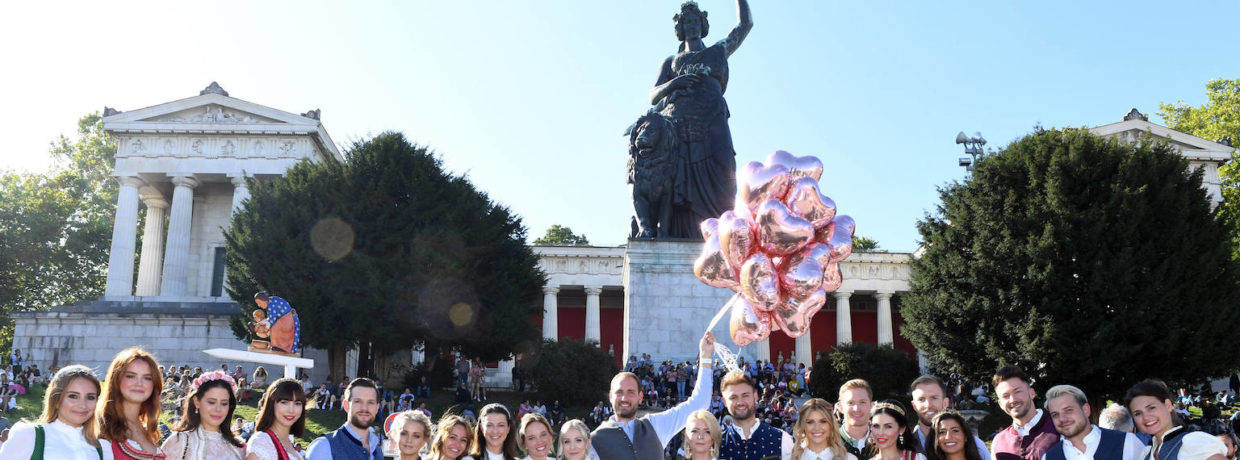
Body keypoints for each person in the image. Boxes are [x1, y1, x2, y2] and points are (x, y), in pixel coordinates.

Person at [643, 0, 752, 237]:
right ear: (680, 27)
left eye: (695, 21)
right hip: (679, 124)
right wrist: (675, 82)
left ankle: (723, 231)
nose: (691, 25)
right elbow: (653, 95)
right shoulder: (671, 61)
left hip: (713, 118)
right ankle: (680, 233)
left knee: (725, 166)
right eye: (686, 22)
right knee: (678, 180)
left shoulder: (719, 49)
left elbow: (745, 24)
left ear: (702, 24)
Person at [592, 331, 715, 460]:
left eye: (631, 392)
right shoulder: (595, 441)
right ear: (611, 396)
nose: (624, 398)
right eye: (619, 392)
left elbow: (700, 402)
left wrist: (705, 355)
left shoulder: (656, 426)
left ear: (640, 397)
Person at [0, 365, 104, 459]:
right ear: (56, 400)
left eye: (90, 397)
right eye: (73, 396)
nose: (82, 405)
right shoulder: (30, 436)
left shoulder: (102, 448)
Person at [1124, 379, 1227, 460]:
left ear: (1168, 405)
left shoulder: (1191, 443)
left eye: (1151, 408)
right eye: (1138, 413)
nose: (1145, 417)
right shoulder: (1145, 454)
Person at [97, 347, 166, 460]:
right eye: (130, 376)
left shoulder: (147, 430)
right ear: (116, 380)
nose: (139, 383)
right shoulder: (101, 427)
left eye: (147, 378)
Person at [1041, 384, 1144, 460]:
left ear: (1086, 410)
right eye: (1055, 414)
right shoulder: (1049, 457)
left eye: (1068, 410)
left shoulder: (1127, 442)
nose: (1062, 418)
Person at [162, 370, 246, 460]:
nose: (218, 409)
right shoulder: (179, 441)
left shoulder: (239, 446)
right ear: (196, 402)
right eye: (211, 402)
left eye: (224, 403)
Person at [909, 376, 990, 460]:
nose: (928, 405)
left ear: (945, 403)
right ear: (914, 406)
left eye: (934, 398)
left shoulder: (976, 445)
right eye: (921, 399)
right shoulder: (903, 446)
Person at [718, 370, 793, 459]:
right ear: (725, 401)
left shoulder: (782, 439)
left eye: (745, 395)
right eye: (733, 397)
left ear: (755, 396)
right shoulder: (716, 445)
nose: (740, 402)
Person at [306, 377, 383, 460]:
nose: (364, 408)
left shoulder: (377, 452)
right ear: (346, 406)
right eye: (358, 401)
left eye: (370, 402)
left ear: (377, 408)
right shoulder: (324, 447)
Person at [991, 366, 1059, 460]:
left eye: (1017, 392)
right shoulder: (998, 442)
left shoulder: (1060, 428)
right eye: (1005, 396)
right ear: (1000, 404)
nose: (1012, 400)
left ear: (1032, 393)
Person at [246, 378, 308, 460]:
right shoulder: (261, 442)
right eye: (284, 402)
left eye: (297, 403)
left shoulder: (289, 443)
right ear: (271, 404)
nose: (291, 410)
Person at [838, 379, 877, 460]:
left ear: (872, 406)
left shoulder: (884, 441)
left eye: (862, 402)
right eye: (850, 403)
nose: (856, 409)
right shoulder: (829, 442)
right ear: (840, 407)